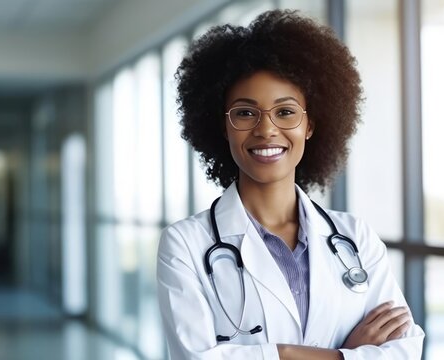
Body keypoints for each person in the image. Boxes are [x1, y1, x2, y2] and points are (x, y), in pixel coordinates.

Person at [156, 9, 424, 359]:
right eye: (245, 112)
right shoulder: (186, 245)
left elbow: (404, 349)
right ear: (222, 127)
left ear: (310, 124)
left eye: (285, 112)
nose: (266, 130)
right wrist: (342, 354)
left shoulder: (355, 237)